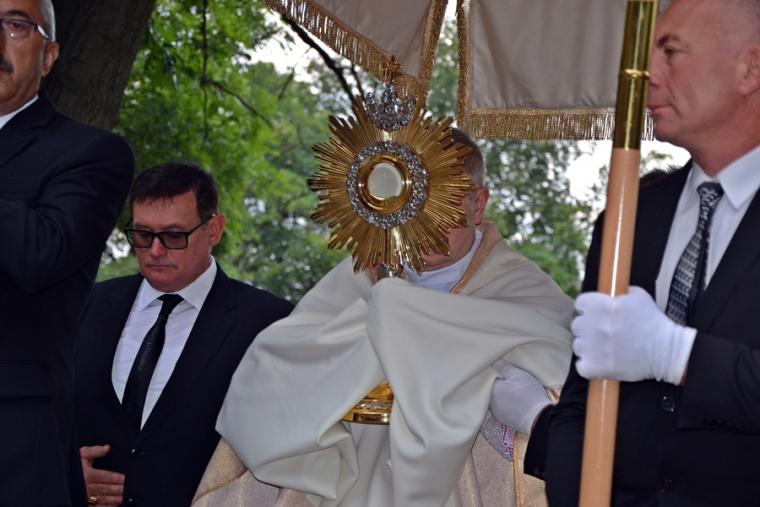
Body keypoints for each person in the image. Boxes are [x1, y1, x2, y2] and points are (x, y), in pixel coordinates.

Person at [197, 129, 574, 506]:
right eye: (417, 199)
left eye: (446, 199)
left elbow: (563, 400)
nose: (427, 220)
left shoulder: (523, 292)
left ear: (479, 204)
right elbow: (277, 368)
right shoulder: (357, 279)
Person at [524, 0, 760, 505]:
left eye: (670, 52)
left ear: (750, 69)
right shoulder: (631, 217)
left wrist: (677, 355)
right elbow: (581, 403)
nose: (647, 74)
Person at [74, 163, 293, 506]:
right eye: (143, 235)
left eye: (174, 236)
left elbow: (284, 443)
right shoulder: (87, 305)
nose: (155, 251)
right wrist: (66, 471)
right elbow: (48, 406)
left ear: (214, 230)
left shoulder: (268, 321)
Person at [0, 0, 134, 504]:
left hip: (13, 442)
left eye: (15, 24)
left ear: (49, 56)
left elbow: (38, 255)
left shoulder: (90, 154)